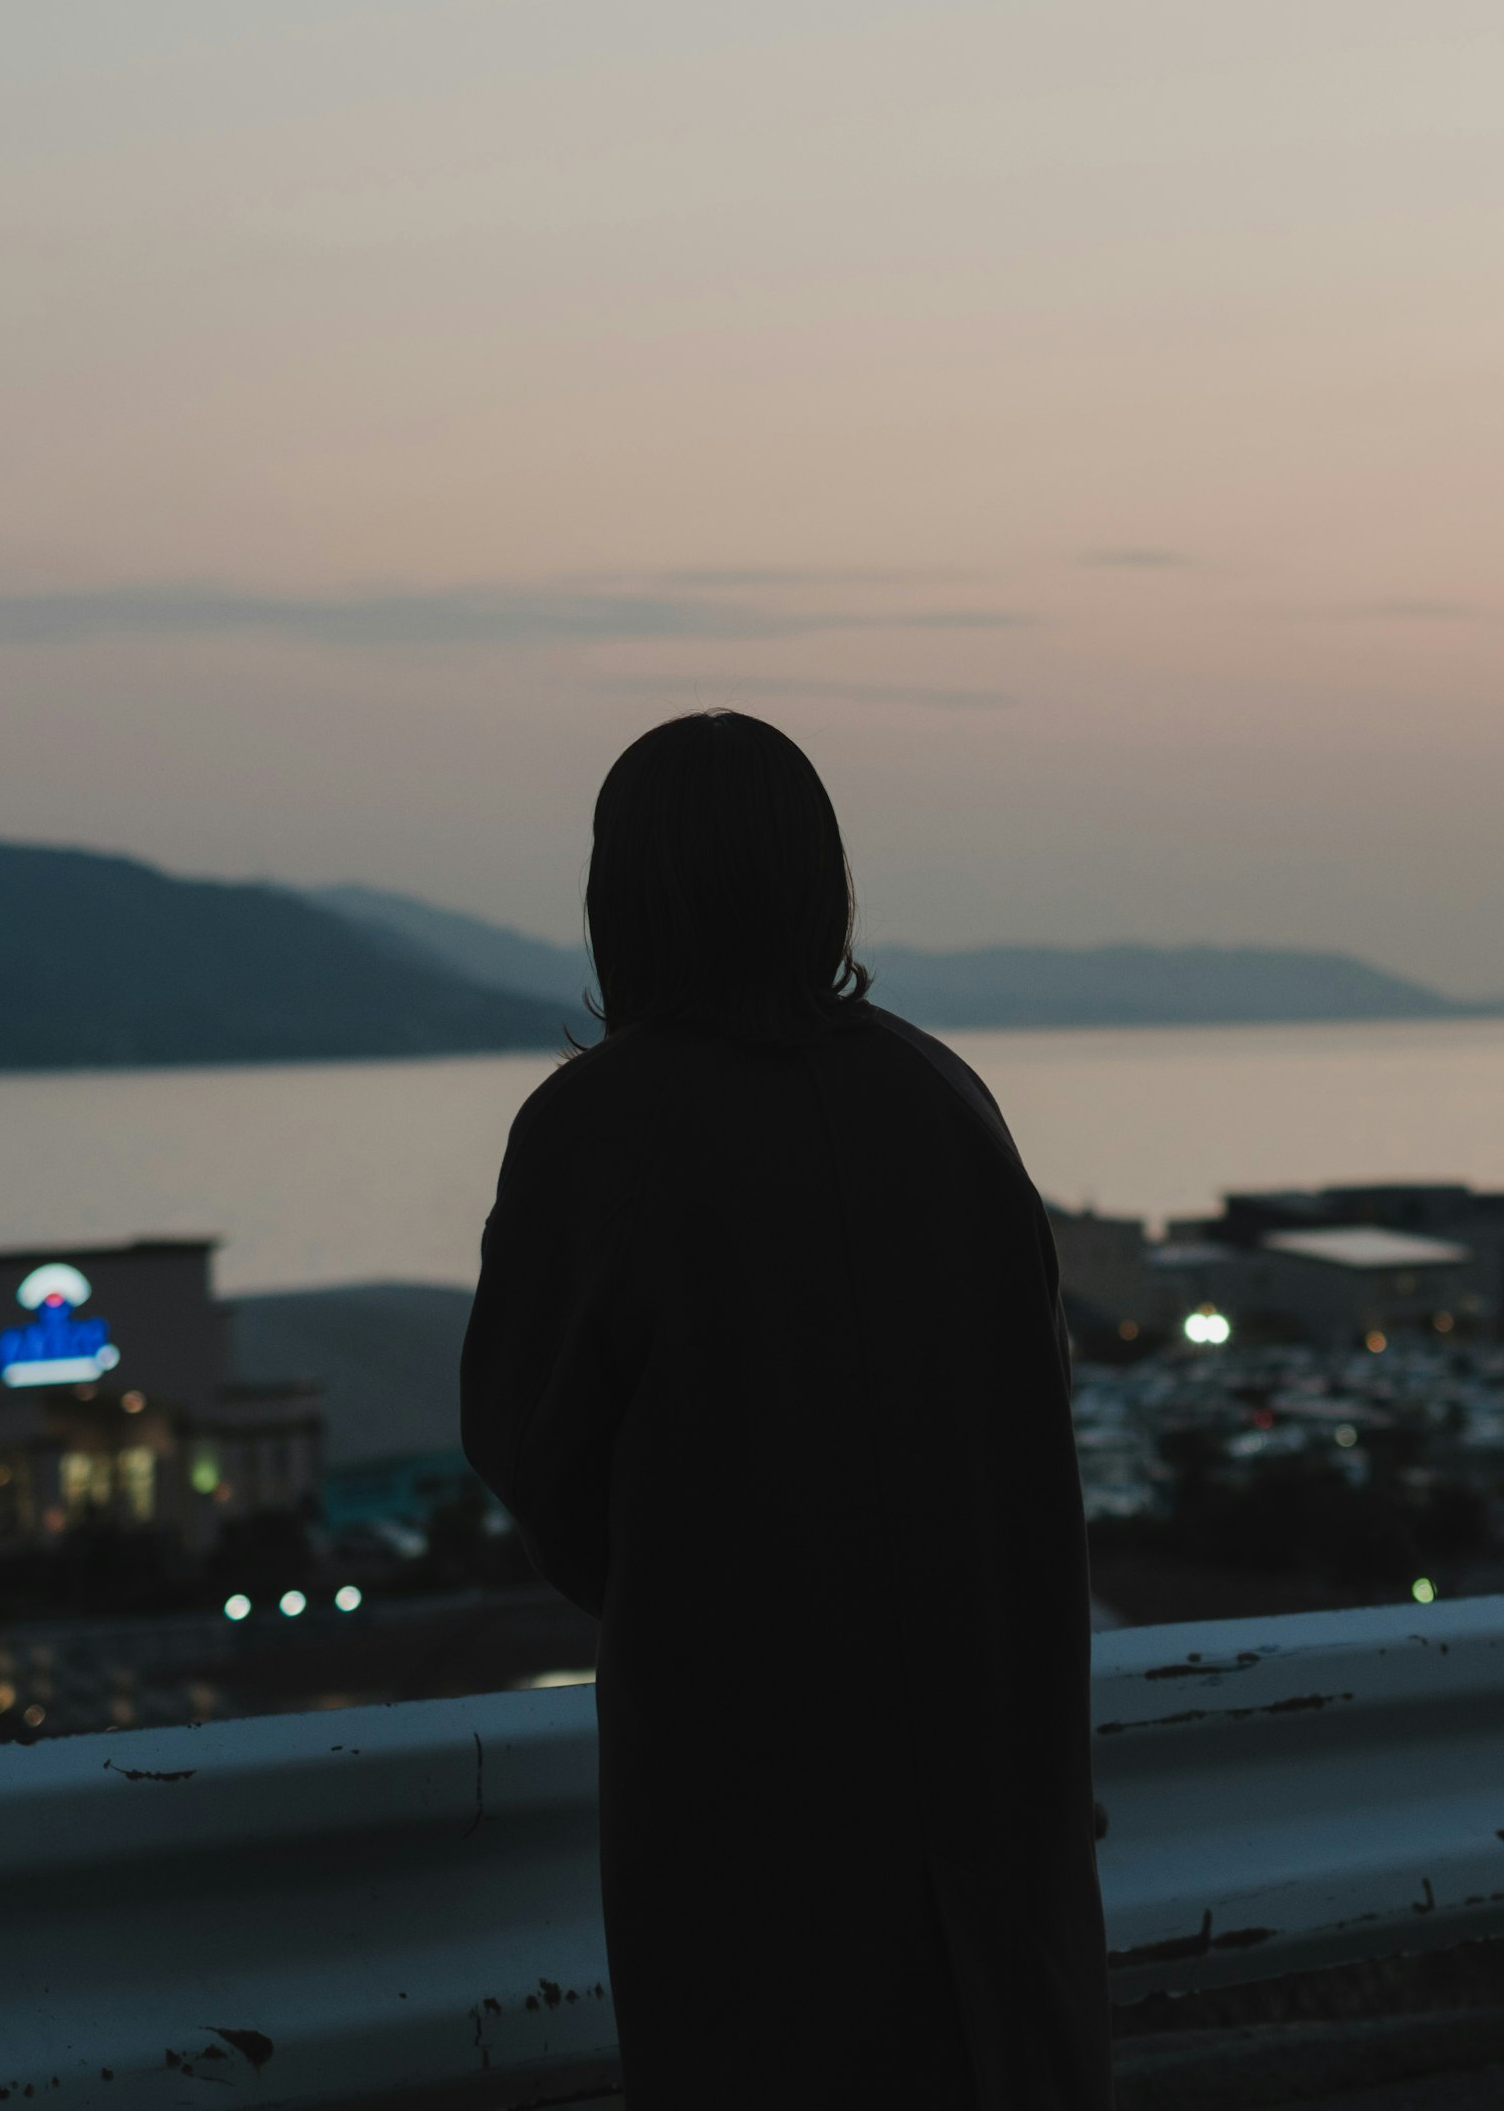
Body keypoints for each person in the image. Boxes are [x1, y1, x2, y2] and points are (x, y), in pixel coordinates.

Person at [461, 711, 1112, 2107]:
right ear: (825, 883)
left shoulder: (598, 1131)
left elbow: (533, 1451)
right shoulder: (945, 1101)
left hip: (740, 1798)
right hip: (997, 1792)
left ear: (618, 897)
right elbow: (1035, 1419)